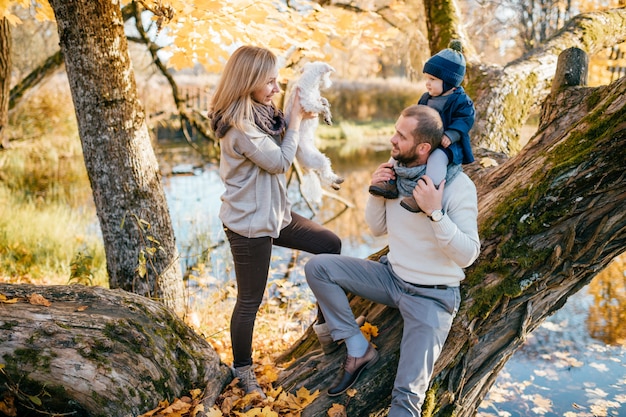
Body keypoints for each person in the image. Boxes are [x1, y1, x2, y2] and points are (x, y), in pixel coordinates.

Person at [305, 104, 480, 416]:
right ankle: (357, 349)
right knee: (318, 268)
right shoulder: (397, 176)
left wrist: (434, 212)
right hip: (391, 278)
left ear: (423, 147)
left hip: (432, 297)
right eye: (395, 131)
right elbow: (376, 229)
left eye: (401, 135)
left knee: (405, 397)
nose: (392, 139)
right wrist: (376, 191)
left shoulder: (455, 186)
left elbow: (468, 255)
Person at [208, 45, 342, 399]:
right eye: (269, 82)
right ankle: (243, 370)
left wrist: (299, 120)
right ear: (247, 80)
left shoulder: (262, 113)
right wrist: (294, 121)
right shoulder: (238, 127)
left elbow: (285, 144)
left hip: (276, 215)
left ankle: (325, 327)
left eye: (276, 81)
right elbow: (280, 162)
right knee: (250, 300)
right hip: (249, 224)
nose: (276, 89)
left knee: (330, 245)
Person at [369, 40, 475, 213]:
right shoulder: (426, 98)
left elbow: (465, 120)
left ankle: (425, 194)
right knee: (400, 152)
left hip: (446, 144)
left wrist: (452, 134)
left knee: (437, 159)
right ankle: (388, 182)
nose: (427, 83)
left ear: (450, 82)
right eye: (427, 79)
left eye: (432, 79)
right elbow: (419, 116)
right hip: (425, 139)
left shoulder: (461, 101)